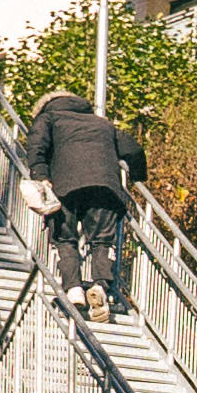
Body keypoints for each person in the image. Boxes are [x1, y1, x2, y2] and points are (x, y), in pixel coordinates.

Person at [25, 86, 145, 306]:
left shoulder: (48, 118)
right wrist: (137, 178)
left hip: (65, 186)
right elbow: (134, 150)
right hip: (105, 187)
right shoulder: (102, 123)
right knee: (102, 240)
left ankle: (74, 290)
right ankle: (100, 285)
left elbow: (36, 147)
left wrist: (41, 176)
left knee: (65, 238)